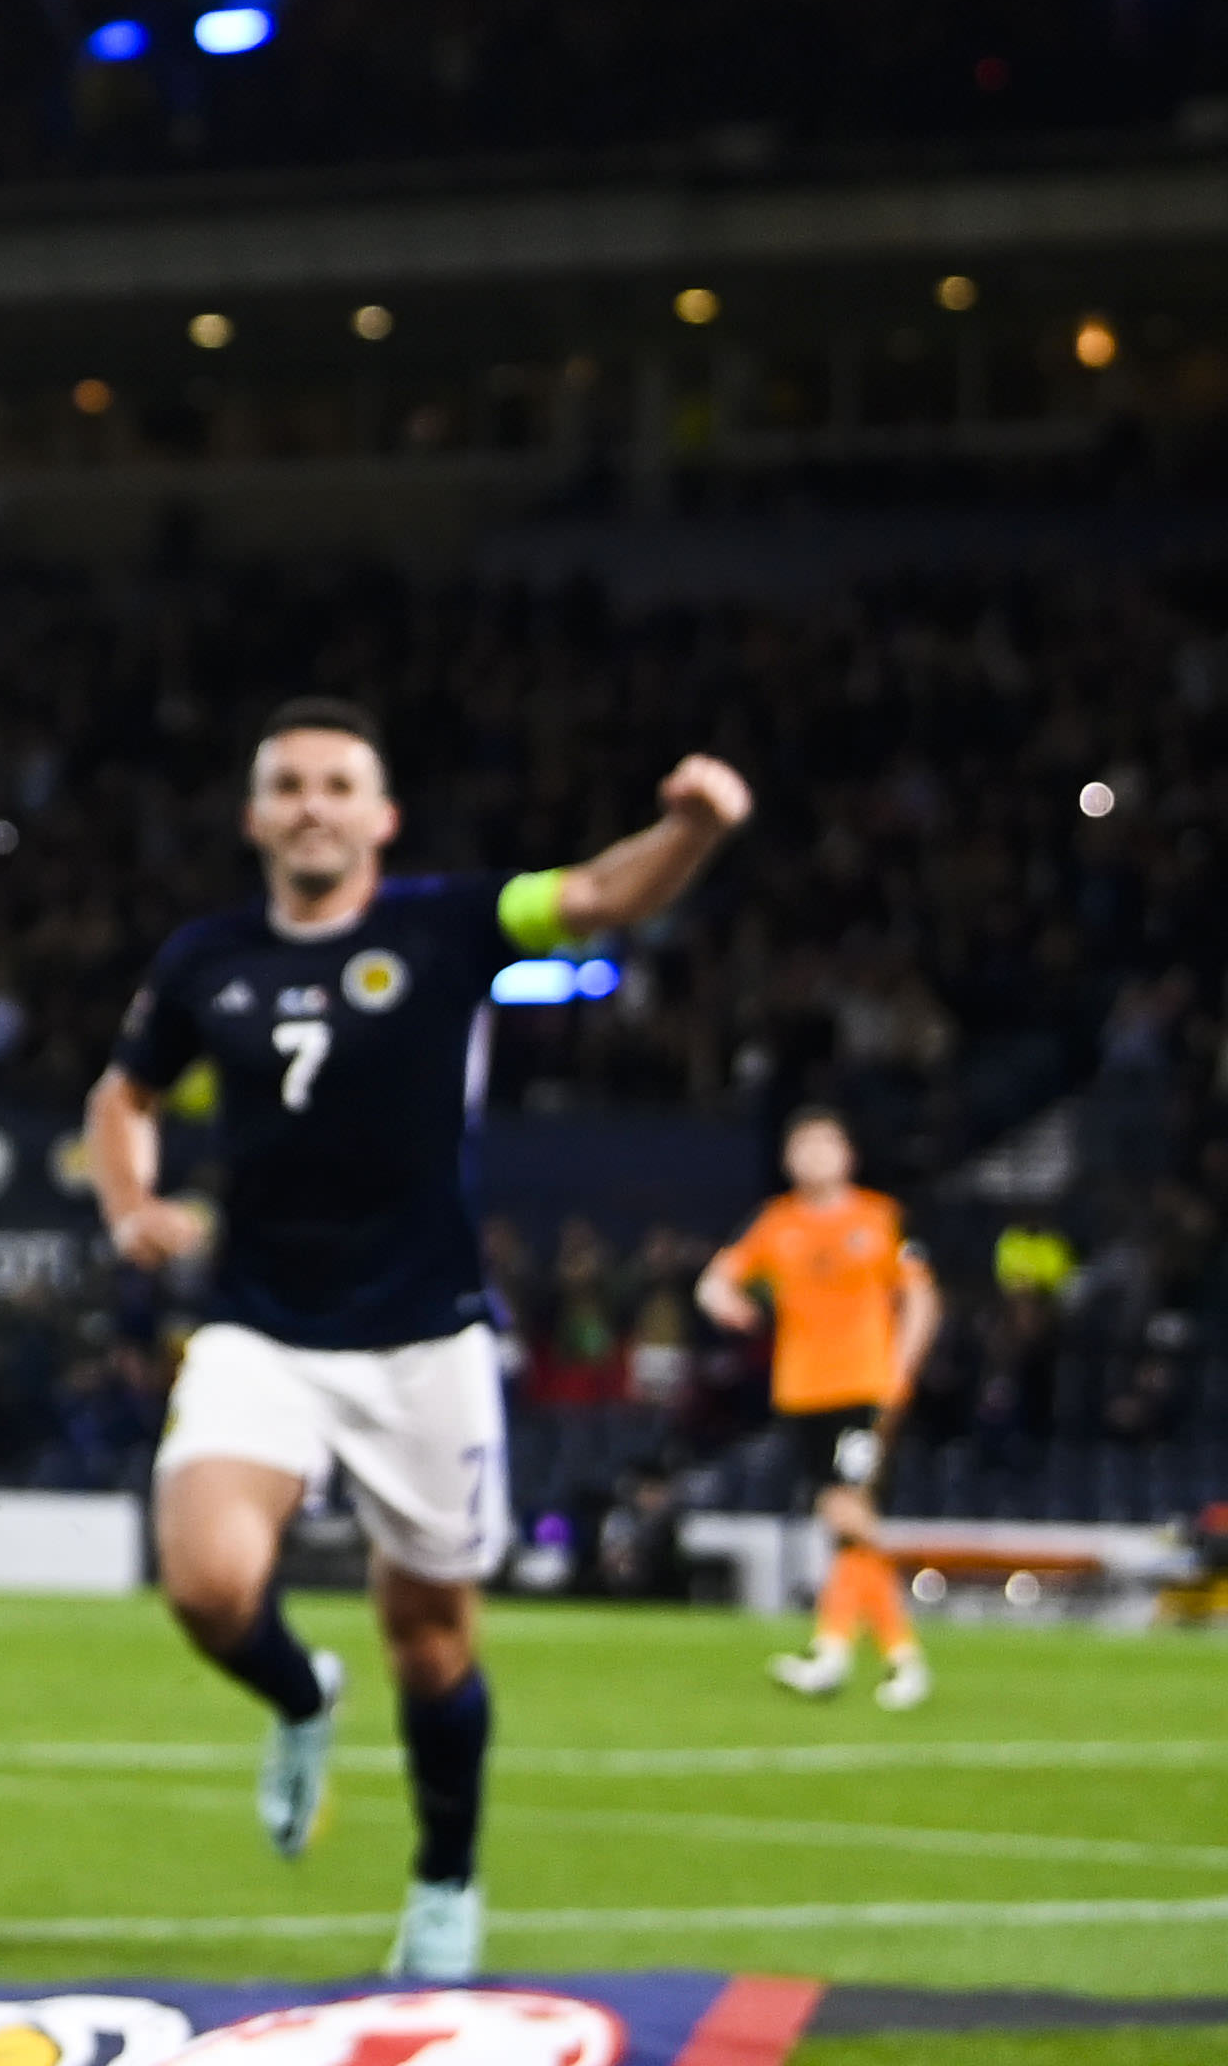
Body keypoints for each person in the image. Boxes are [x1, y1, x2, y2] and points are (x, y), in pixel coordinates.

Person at [88, 698, 754, 1978]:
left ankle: (445, 1884)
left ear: (380, 815)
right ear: (254, 814)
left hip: (423, 1337)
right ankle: (300, 1698)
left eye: (338, 783)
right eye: (287, 784)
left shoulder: (450, 922)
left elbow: (606, 896)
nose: (312, 804)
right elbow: (124, 1091)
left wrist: (694, 828)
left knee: (432, 1638)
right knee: (209, 1586)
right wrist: (129, 1200)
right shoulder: (202, 959)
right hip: (260, 1322)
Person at [699, 1107, 939, 1708]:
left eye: (826, 1144)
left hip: (863, 1385)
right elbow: (714, 1280)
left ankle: (862, 1654)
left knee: (848, 1514)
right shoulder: (777, 1223)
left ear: (848, 1155)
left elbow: (921, 1299)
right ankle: (873, 1656)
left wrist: (899, 1374)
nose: (815, 1156)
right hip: (802, 1391)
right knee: (845, 1520)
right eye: (803, 1146)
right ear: (788, 1160)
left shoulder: (879, 1218)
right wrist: (727, 1302)